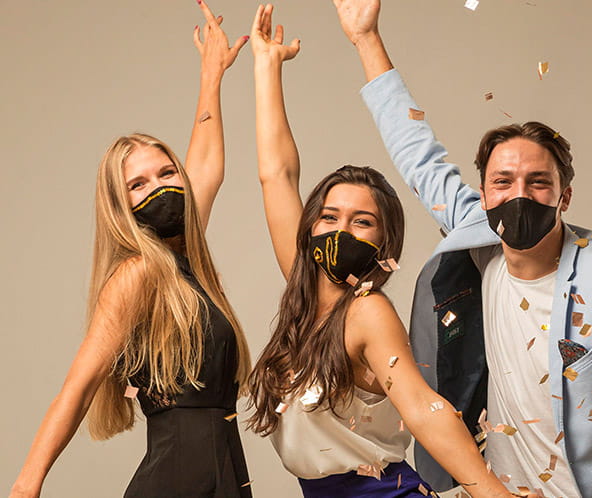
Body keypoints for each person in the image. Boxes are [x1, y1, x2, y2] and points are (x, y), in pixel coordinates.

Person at [332, 0, 592, 497]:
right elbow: (419, 154)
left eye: (538, 182)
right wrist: (365, 40)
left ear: (564, 195)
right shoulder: (480, 240)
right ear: (484, 195)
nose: (518, 195)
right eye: (503, 181)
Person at [245, 4, 518, 498]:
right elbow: (276, 175)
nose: (340, 231)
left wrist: (494, 496)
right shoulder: (305, 289)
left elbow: (421, 406)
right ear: (311, 228)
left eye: (362, 222)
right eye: (329, 217)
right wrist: (266, 65)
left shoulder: (367, 311)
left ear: (383, 244)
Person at [10, 3, 254, 497]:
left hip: (224, 471)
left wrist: (212, 75)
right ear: (121, 207)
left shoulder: (188, 257)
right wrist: (25, 486)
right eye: (138, 185)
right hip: (177, 480)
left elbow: (205, 162)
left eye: (166, 173)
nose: (160, 187)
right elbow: (77, 388)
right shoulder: (139, 273)